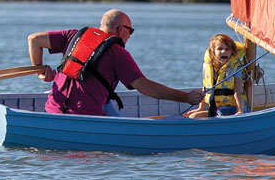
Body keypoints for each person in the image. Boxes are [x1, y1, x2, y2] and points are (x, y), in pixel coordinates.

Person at [26, 8, 203, 116]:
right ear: (121, 30)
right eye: (130, 31)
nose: (130, 36)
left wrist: (40, 72)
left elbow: (34, 40)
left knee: (108, 103)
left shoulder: (74, 35)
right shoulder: (118, 54)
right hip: (85, 118)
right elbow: (146, 88)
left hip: (52, 111)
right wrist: (186, 97)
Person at [185, 33, 249, 118]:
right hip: (216, 108)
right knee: (193, 116)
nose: (224, 51)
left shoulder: (235, 70)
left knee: (200, 117)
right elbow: (206, 88)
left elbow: (238, 91)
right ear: (213, 52)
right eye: (220, 49)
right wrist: (200, 108)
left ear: (232, 52)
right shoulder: (211, 68)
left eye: (227, 49)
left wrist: (240, 110)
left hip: (231, 108)